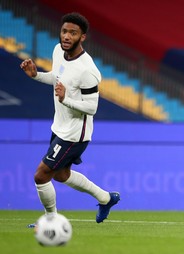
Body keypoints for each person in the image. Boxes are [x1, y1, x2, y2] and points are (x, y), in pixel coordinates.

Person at [20, 12, 120, 225]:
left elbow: (92, 108)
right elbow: (58, 79)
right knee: (61, 174)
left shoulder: (88, 70)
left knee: (41, 175)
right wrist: (36, 75)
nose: (66, 36)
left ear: (82, 37)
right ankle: (106, 198)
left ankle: (51, 220)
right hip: (59, 125)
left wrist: (65, 100)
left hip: (75, 133)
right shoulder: (58, 51)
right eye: (64, 31)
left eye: (73, 33)